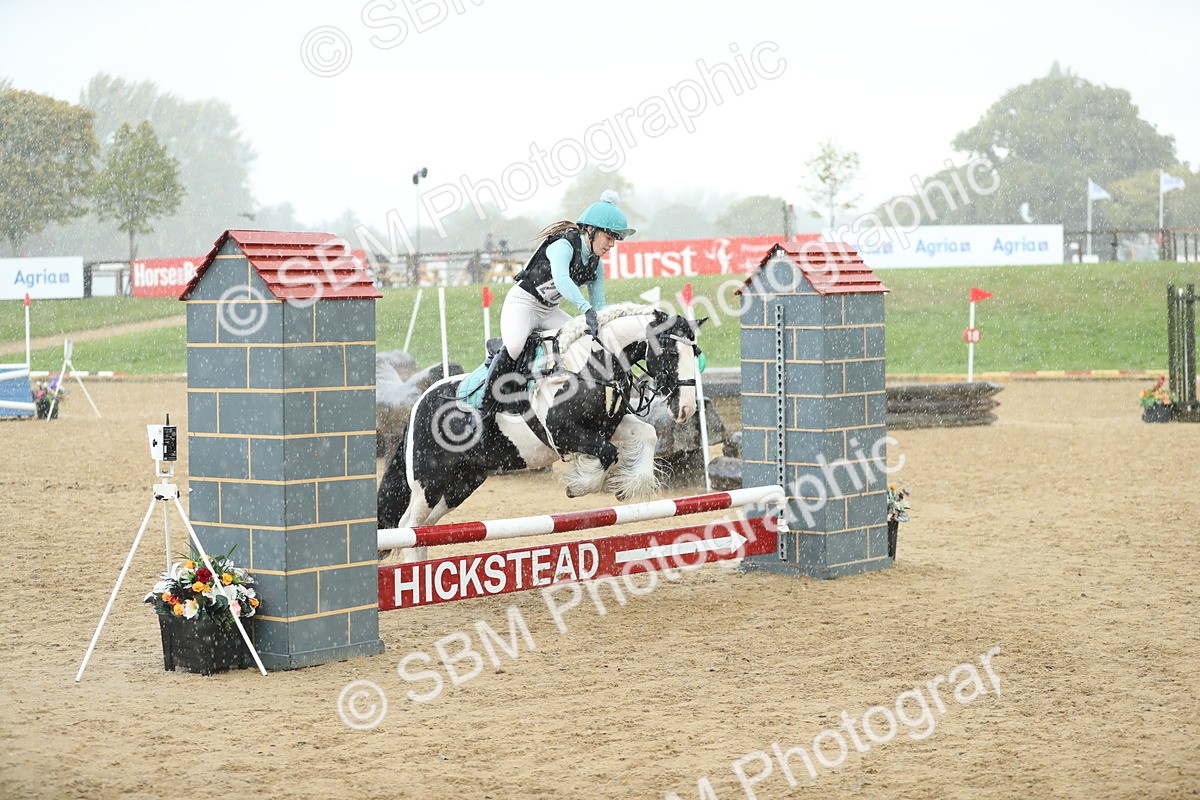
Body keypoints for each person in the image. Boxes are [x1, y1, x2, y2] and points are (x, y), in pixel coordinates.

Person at [479, 190, 634, 422]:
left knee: (582, 342)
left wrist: (607, 326)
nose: (612, 244)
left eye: (615, 239)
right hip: (524, 303)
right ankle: (485, 407)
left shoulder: (596, 265)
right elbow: (562, 281)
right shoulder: (563, 245)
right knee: (514, 346)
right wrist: (585, 310)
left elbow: (599, 306)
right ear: (591, 230)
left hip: (548, 311)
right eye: (610, 237)